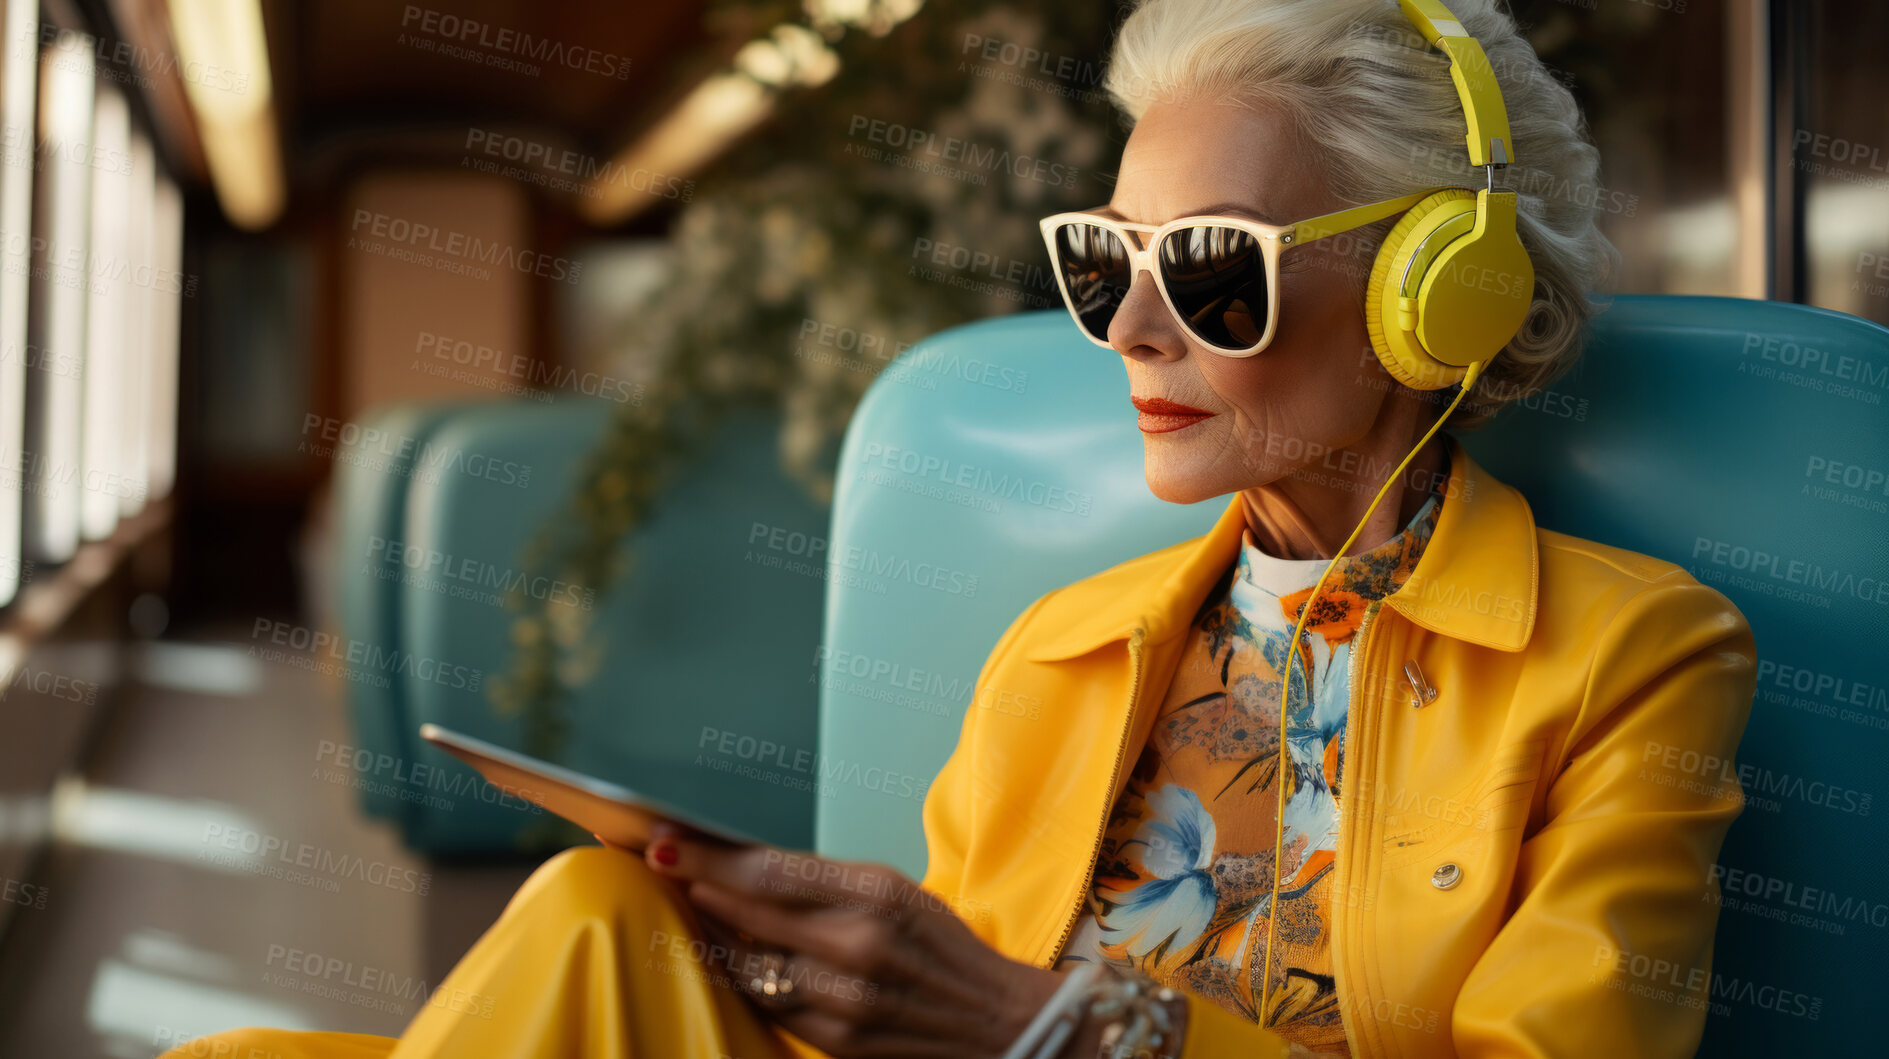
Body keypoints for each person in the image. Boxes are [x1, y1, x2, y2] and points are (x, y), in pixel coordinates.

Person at [163, 0, 1755, 1056]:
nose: (1128, 328)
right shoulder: (1062, 649)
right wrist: (811, 966)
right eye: (1099, 262)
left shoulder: (1629, 659)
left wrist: (1060, 1031)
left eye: (1208, 267)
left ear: (1438, 295)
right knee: (573, 923)